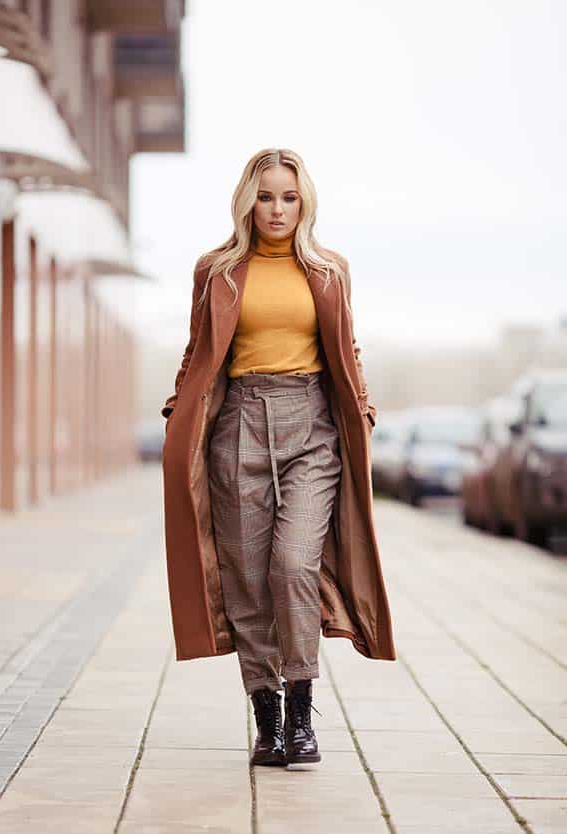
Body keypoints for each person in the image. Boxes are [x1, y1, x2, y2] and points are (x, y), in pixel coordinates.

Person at [161, 148, 396, 769]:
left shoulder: (328, 269)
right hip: (238, 422)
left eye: (289, 197)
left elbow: (346, 347)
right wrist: (176, 412)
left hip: (312, 426)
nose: (277, 209)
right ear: (248, 201)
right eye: (266, 196)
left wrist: (362, 408)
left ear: (305, 202)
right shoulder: (217, 269)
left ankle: (301, 710)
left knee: (293, 564)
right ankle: (267, 723)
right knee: (246, 577)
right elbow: (197, 350)